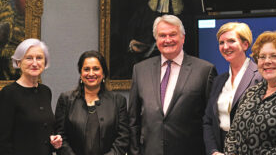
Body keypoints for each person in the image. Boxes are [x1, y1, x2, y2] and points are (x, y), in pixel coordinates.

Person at [128, 14, 217, 155]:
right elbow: (133, 120)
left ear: (183, 38)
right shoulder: (140, 70)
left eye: (173, 35)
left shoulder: (204, 71)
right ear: (156, 39)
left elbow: (211, 120)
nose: (167, 40)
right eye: (162, 35)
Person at [224, 30, 276, 154]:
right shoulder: (251, 92)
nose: (267, 61)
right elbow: (232, 135)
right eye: (262, 57)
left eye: (274, 56)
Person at [203, 22, 262, 155]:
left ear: (245, 44)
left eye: (231, 41)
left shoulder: (260, 76)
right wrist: (213, 151)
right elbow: (208, 121)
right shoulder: (219, 80)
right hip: (220, 149)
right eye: (221, 42)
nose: (225, 46)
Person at [55, 50, 129, 155]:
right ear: (80, 73)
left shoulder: (118, 101)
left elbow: (123, 138)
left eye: (96, 69)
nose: (91, 73)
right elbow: (60, 136)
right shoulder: (66, 100)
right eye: (86, 69)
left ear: (103, 73)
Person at [0, 38, 62, 155]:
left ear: (45, 62)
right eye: (29, 58)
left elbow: (42, 128)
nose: (34, 63)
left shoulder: (45, 91)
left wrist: (54, 139)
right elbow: (3, 142)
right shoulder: (9, 93)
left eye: (39, 58)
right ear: (18, 62)